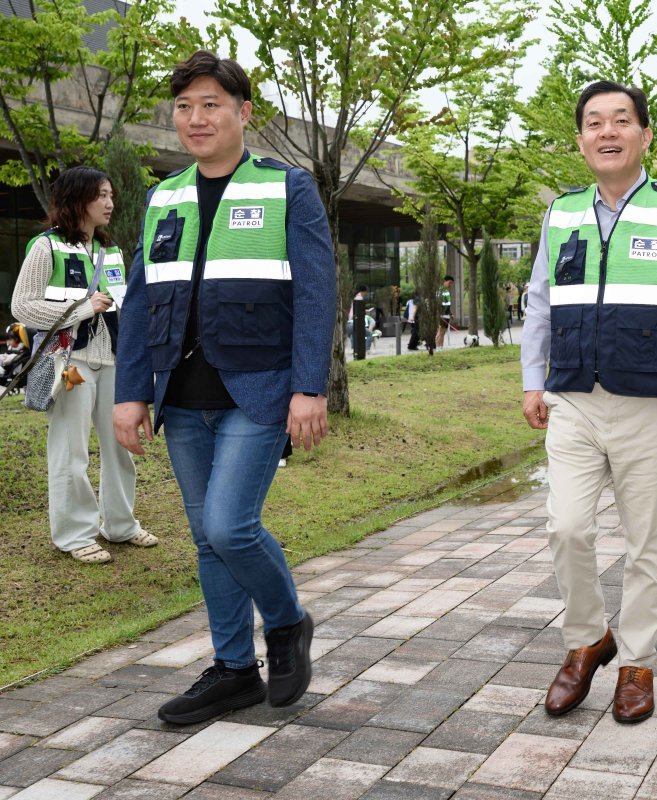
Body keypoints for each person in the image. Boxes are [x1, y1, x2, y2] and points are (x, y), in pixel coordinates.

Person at [113, 50, 334, 724]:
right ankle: (234, 668)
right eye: (185, 107)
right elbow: (143, 300)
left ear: (243, 113)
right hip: (181, 396)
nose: (196, 118)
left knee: (229, 527)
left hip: (259, 389)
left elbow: (318, 292)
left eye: (211, 104)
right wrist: (130, 391)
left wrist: (309, 388)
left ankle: (288, 623)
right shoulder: (164, 196)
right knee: (206, 539)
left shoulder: (287, 187)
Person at [520, 80, 657, 724]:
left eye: (620, 120)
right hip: (575, 396)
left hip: (652, 401)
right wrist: (533, 378)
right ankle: (587, 639)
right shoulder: (562, 213)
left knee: (647, 542)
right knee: (567, 527)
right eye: (593, 123)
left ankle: (637, 661)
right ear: (580, 139)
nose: (606, 132)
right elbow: (540, 304)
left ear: (644, 133)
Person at [11, 167, 152, 564]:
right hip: (70, 362)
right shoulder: (46, 247)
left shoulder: (112, 251)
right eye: (101, 195)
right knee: (71, 450)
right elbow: (22, 305)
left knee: (119, 445)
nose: (109, 203)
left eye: (111, 195)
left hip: (113, 361)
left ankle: (121, 525)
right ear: (77, 199)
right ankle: (75, 535)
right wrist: (79, 308)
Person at [436, 274, 453, 347]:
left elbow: (447, 304)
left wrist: (450, 313)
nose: (450, 285)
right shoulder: (440, 291)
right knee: (440, 332)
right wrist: (439, 314)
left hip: (446, 315)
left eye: (452, 283)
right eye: (449, 282)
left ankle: (441, 348)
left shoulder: (446, 291)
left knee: (442, 333)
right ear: (445, 281)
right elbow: (438, 303)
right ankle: (437, 348)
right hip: (441, 315)